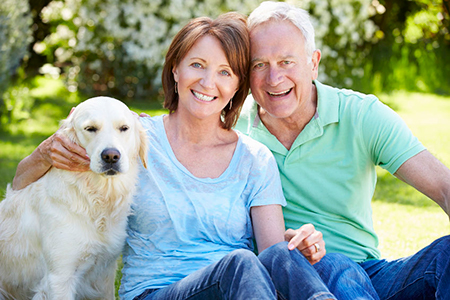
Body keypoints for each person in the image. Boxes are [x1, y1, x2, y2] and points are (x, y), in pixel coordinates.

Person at [12, 12, 337, 300]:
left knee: (276, 255)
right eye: (197, 65)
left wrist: (295, 245)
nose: (208, 82)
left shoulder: (255, 159)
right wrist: (44, 154)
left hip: (237, 289)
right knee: (239, 264)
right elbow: (22, 182)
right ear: (176, 70)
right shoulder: (131, 136)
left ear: (238, 85)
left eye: (225, 72)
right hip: (156, 291)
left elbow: (271, 256)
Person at [234, 1, 450, 299]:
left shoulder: (361, 115)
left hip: (371, 275)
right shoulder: (232, 129)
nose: (274, 78)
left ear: (313, 63)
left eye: (287, 62)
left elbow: (444, 186)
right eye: (259, 65)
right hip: (296, 282)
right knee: (332, 264)